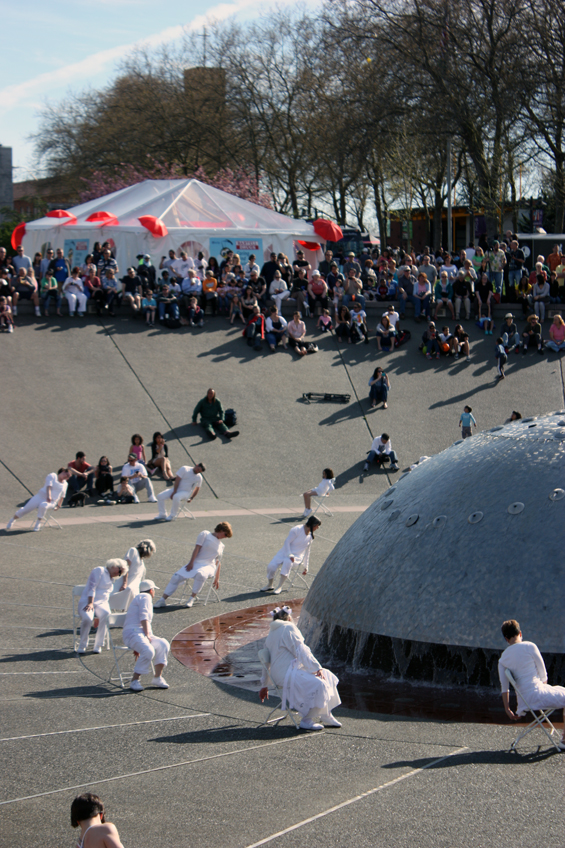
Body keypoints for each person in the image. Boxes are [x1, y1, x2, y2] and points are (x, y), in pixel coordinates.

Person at [259, 605, 341, 731]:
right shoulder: (288, 628)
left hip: (281, 672)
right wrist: (316, 668)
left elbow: (266, 663)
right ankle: (306, 720)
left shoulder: (272, 632)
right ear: (289, 618)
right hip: (287, 673)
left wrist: (264, 685)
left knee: (327, 675)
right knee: (319, 684)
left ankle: (326, 714)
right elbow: (301, 651)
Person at [498, 619, 565, 749]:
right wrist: (544, 688)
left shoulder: (502, 659)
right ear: (520, 633)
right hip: (538, 694)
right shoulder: (530, 646)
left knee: (562, 690)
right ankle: (564, 739)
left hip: (524, 701)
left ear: (506, 639)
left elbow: (504, 688)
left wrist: (507, 709)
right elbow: (543, 674)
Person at [154, 522, 233, 608]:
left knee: (201, 574)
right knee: (176, 577)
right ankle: (162, 600)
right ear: (221, 530)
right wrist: (191, 562)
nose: (225, 537)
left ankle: (192, 598)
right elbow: (197, 548)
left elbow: (218, 562)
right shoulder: (205, 534)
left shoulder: (221, 545)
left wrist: (217, 578)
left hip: (209, 566)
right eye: (225, 534)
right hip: (196, 562)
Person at [123, 579, 170, 691]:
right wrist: (147, 635)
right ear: (151, 590)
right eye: (154, 590)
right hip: (133, 633)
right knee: (148, 650)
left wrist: (144, 638)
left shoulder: (141, 597)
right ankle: (135, 680)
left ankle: (157, 677)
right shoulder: (145, 597)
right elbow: (143, 617)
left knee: (163, 644)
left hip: (139, 633)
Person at [77, 559, 128, 653]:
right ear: (114, 566)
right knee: (87, 618)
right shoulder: (99, 570)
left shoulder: (111, 578)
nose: (119, 574)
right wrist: (90, 603)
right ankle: (82, 644)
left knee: (106, 614)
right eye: (119, 571)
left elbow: (105, 597)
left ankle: (98, 644)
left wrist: (98, 616)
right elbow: (92, 587)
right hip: (87, 601)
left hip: (101, 603)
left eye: (120, 573)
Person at [261, 516, 321, 594]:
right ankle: (270, 585)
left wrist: (306, 566)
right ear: (313, 524)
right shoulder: (297, 529)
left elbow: (307, 552)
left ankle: (279, 587)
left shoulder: (310, 537)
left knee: (287, 561)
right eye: (317, 526)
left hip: (297, 557)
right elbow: (287, 542)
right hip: (284, 552)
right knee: (271, 566)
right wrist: (289, 554)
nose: (318, 528)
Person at [6, 468, 71, 532]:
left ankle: (38, 522)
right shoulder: (52, 475)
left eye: (68, 477)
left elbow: (62, 496)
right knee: (25, 510)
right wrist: (49, 496)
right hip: (40, 496)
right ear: (63, 471)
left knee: (43, 505)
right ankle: (12, 520)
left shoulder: (65, 484)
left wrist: (58, 506)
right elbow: (49, 486)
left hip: (51, 502)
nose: (67, 478)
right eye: (67, 475)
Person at [118, 539, 156, 606]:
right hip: (128, 586)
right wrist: (125, 583)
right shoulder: (133, 551)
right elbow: (126, 567)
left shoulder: (141, 560)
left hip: (135, 590)